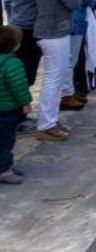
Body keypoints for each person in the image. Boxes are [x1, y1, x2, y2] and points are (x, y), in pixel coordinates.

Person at [33, 0, 84, 142]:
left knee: (54, 79)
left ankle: (50, 121)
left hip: (52, 32)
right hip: (53, 32)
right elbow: (72, 2)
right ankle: (46, 125)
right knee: (53, 80)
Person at [62, 0, 96, 106]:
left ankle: (70, 91)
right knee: (70, 61)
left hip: (76, 24)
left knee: (72, 60)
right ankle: (67, 94)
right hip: (74, 25)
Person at [0, 25, 33, 184]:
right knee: (6, 140)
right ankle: (4, 170)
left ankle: (5, 165)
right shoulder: (13, 63)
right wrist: (25, 103)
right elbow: (18, 86)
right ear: (14, 45)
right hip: (7, 109)